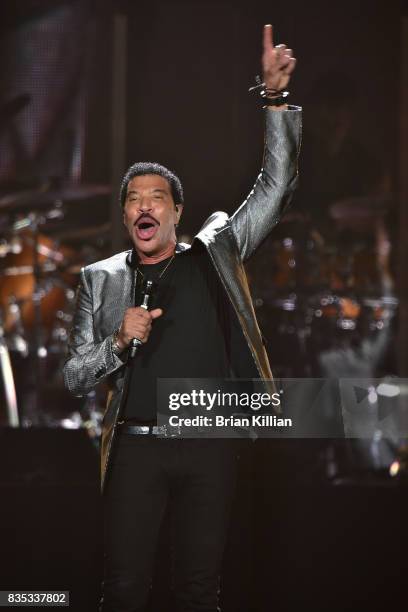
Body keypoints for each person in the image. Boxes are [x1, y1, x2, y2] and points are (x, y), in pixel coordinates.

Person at [63, 24, 301, 612]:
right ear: (125, 216)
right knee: (122, 590)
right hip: (136, 449)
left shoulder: (214, 254)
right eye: (133, 199)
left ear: (177, 212)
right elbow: (72, 378)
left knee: (199, 591)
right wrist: (117, 342)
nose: (144, 205)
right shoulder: (100, 279)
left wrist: (272, 100)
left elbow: (276, 186)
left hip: (207, 443)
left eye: (156, 197)